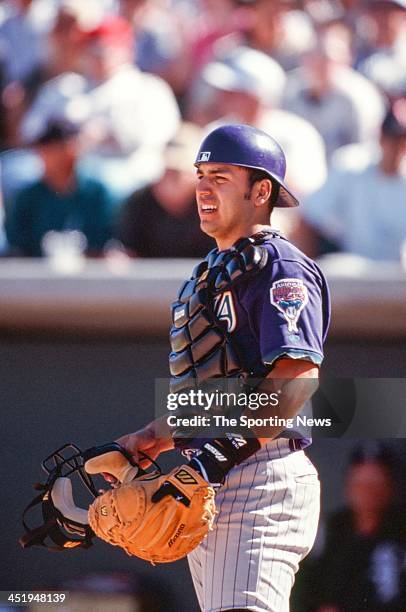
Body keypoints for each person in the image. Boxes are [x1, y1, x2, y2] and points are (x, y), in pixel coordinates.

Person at [116, 124, 331, 612]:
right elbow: (226, 386)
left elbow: (295, 380)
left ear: (261, 191)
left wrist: (215, 457)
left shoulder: (279, 267)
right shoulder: (215, 267)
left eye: (221, 176)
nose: (203, 187)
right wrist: (155, 435)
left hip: (260, 473)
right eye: (200, 175)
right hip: (216, 475)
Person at [299, 103, 406, 260]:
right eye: (392, 138)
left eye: (402, 140)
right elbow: (309, 216)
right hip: (355, 271)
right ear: (381, 137)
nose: (397, 146)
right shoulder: (351, 165)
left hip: (400, 275)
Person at [313, 444, 406, 611]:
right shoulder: (334, 528)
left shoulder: (400, 529)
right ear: (348, 488)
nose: (368, 494)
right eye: (361, 485)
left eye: (376, 485)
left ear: (390, 488)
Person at [5, 118, 113, 257]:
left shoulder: (97, 193)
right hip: (37, 276)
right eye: (44, 149)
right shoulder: (27, 198)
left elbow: (104, 243)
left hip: (89, 275)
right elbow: (18, 247)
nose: (44, 155)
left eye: (53, 148)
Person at [115, 122, 215, 258]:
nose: (168, 179)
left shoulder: (215, 206)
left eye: (177, 172)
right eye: (166, 170)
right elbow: (125, 253)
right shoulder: (139, 202)